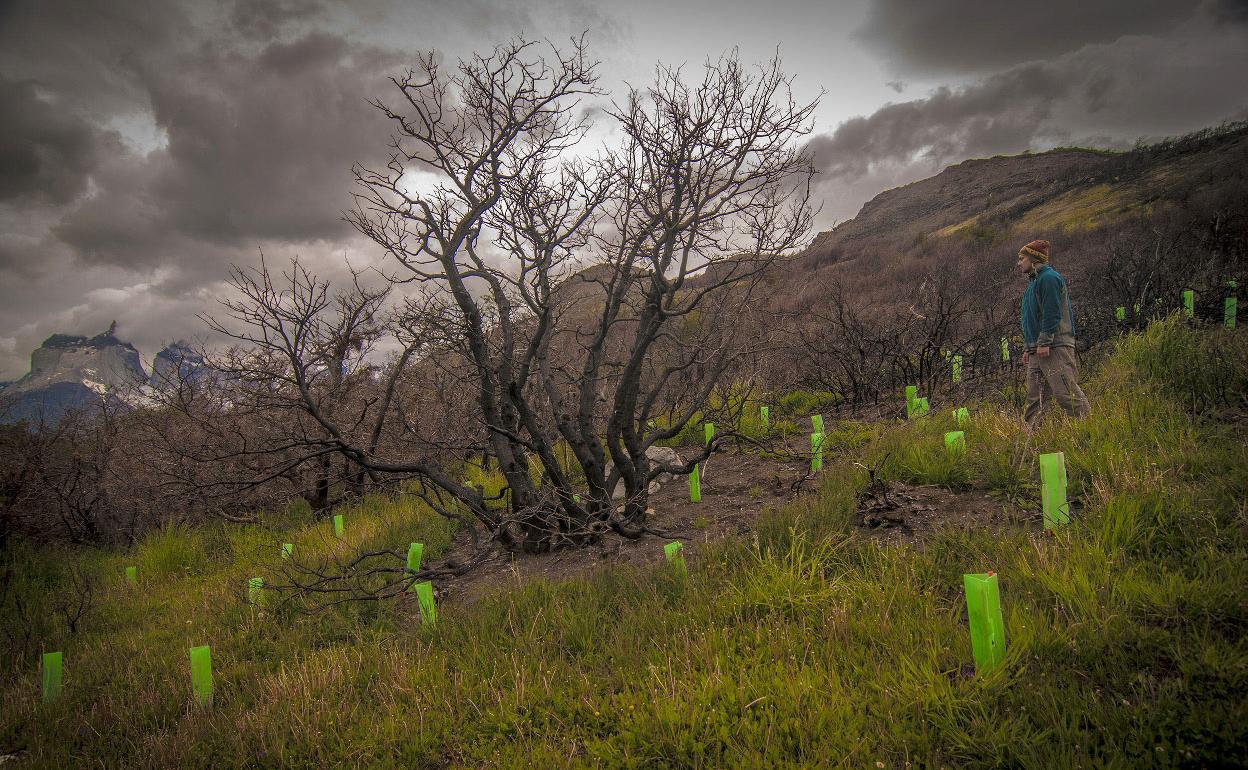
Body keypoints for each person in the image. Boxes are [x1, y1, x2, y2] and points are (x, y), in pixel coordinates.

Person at [1017, 239, 1090, 427]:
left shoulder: (1049, 278)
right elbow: (1031, 318)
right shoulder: (1034, 284)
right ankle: (1031, 443)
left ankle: (1088, 433)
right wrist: (1029, 347)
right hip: (1038, 350)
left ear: (1033, 259)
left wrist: (1045, 342)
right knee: (1035, 399)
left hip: (1054, 346)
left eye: (1022, 258)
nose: (1019, 263)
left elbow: (1052, 313)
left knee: (1067, 394)